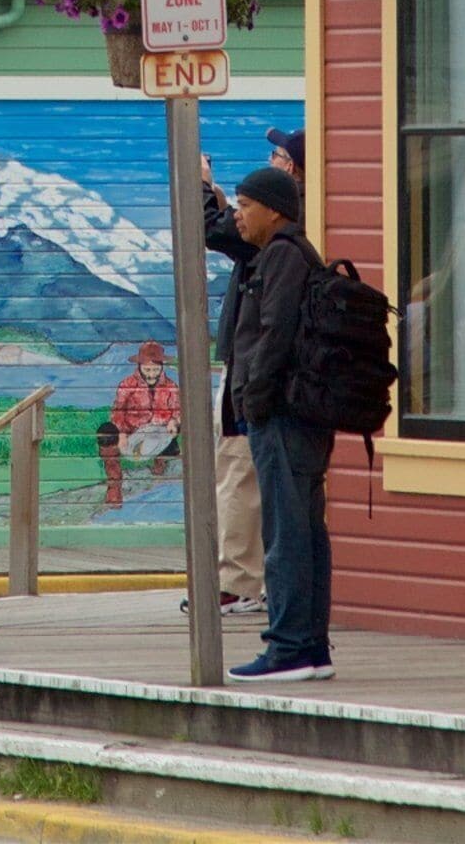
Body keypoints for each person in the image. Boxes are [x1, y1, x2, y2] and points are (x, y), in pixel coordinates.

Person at [219, 166, 332, 683]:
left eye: (245, 205)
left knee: (286, 532)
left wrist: (253, 401)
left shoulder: (284, 256)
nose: (238, 215)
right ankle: (311, 647)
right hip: (294, 415)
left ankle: (288, 647)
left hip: (282, 416)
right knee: (303, 529)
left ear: (274, 209)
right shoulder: (285, 253)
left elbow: (274, 334)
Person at [201, 162, 264, 614]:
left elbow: (211, 231)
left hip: (247, 376)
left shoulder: (273, 239)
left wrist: (202, 188)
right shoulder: (282, 238)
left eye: (245, 206)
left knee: (236, 472)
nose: (238, 215)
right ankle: (252, 579)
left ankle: (238, 581)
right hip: (251, 374)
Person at [103, 341, 177, 511]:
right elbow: (117, 411)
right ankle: (114, 487)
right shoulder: (127, 385)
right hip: (132, 432)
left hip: (159, 433)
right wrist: (121, 433)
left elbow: (177, 409)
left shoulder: (171, 386)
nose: (151, 374)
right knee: (105, 433)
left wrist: (174, 421)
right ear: (140, 367)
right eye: (147, 369)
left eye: (155, 370)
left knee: (176, 428)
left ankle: (161, 462)